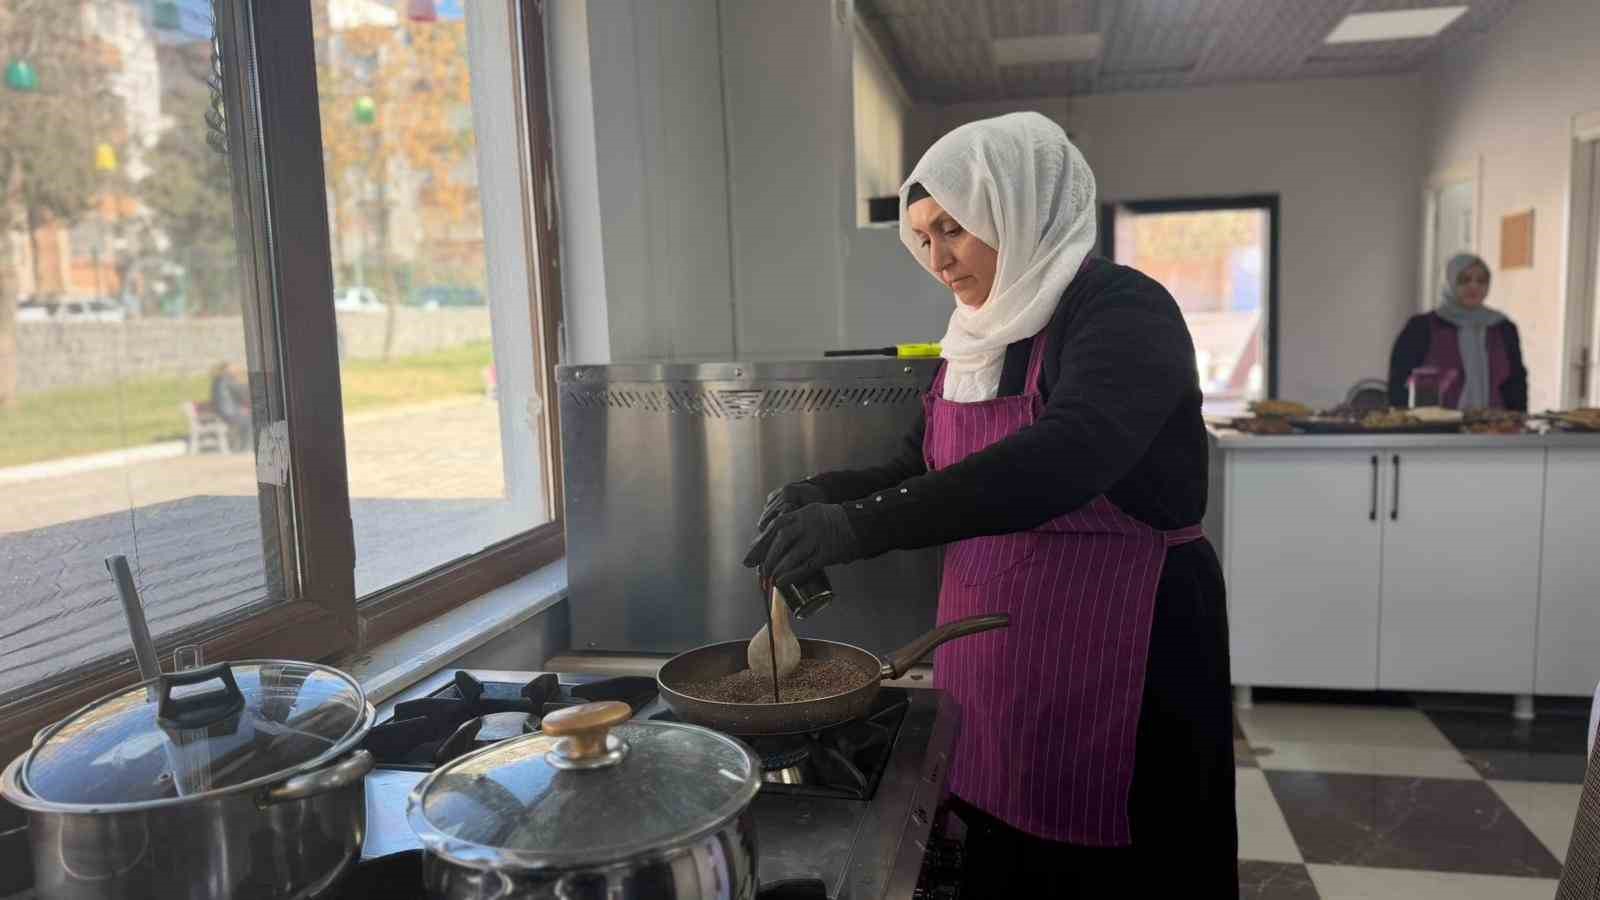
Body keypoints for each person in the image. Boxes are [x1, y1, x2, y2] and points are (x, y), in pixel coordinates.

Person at [744, 112, 1237, 896]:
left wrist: (858, 526)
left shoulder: (1120, 310)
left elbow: (1065, 458)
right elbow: (921, 460)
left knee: (1111, 864)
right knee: (999, 847)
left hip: (1120, 649)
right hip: (993, 653)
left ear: (1017, 206)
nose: (937, 259)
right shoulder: (978, 334)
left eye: (955, 230)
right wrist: (822, 495)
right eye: (922, 237)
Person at [1388, 253, 1527, 410]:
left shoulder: (1502, 327)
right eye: (1464, 280)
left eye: (1481, 281)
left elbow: (1516, 384)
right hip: (1436, 428)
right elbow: (1399, 383)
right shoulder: (1421, 327)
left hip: (1494, 427)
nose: (1473, 286)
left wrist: (1517, 423)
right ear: (1450, 283)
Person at [209, 361, 251, 452]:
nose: (236, 370)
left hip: (223, 411)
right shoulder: (226, 379)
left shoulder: (218, 380)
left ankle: (244, 447)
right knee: (250, 420)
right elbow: (242, 392)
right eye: (233, 368)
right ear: (227, 369)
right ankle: (246, 448)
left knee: (248, 417)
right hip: (229, 412)